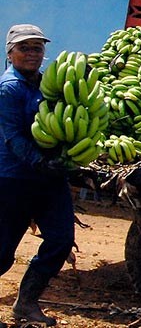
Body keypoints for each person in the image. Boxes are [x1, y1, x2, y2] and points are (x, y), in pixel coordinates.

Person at [0, 24, 75, 327]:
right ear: (10, 53)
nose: (32, 54)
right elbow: (13, 137)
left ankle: (27, 303)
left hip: (49, 180)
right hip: (14, 178)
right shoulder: (9, 88)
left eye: (38, 48)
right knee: (3, 251)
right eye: (25, 48)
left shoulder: (48, 85)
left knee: (60, 239)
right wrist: (39, 161)